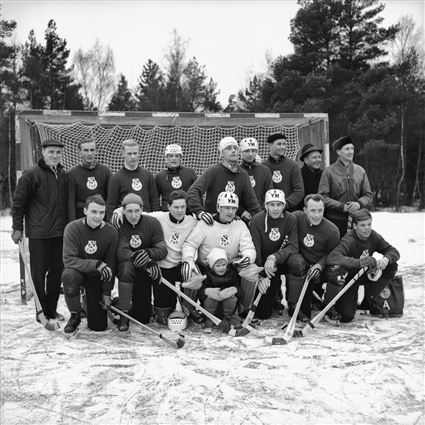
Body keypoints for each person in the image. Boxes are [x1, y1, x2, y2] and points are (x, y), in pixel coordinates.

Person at [11, 138, 68, 323]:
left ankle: (51, 310)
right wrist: (17, 227)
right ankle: (40, 311)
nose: (55, 155)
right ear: (42, 152)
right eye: (51, 152)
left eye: (58, 152)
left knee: (56, 274)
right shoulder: (31, 174)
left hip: (59, 233)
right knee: (38, 274)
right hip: (39, 233)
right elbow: (18, 204)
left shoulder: (63, 174)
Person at [181, 191, 257, 321]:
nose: (230, 211)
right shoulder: (205, 224)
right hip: (206, 269)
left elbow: (249, 247)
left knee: (251, 270)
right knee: (189, 271)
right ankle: (190, 309)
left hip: (229, 268)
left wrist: (247, 257)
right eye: (226, 207)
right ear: (218, 208)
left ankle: (243, 308)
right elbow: (189, 245)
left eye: (233, 208)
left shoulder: (239, 225)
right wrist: (189, 260)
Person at [325, 209, 400, 323]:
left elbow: (393, 251)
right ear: (355, 226)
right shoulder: (349, 239)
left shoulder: (373, 236)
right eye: (363, 225)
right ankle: (331, 305)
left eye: (369, 224)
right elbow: (333, 257)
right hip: (350, 277)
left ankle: (368, 301)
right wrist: (360, 262)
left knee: (392, 265)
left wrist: (387, 258)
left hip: (365, 274)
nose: (367, 228)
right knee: (346, 317)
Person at [62, 195, 119, 333]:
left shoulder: (111, 232)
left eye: (101, 212)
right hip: (78, 272)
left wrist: (106, 292)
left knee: (98, 326)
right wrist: (96, 264)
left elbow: (110, 264)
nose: (98, 216)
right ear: (85, 211)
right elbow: (69, 259)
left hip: (97, 276)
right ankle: (75, 315)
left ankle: (89, 302)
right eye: (94, 212)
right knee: (69, 276)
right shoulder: (72, 228)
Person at [143, 189, 198, 324]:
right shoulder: (159, 217)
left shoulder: (193, 221)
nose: (179, 210)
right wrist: (118, 211)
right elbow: (138, 212)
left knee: (192, 274)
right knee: (162, 315)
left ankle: (188, 309)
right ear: (168, 207)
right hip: (162, 269)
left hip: (180, 267)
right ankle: (164, 308)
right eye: (176, 207)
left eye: (182, 207)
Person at [116, 193, 167, 331]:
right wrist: (143, 259)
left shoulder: (152, 223)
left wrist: (148, 255)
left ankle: (131, 305)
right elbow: (121, 252)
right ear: (123, 211)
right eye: (129, 211)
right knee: (126, 269)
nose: (133, 215)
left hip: (145, 270)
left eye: (137, 211)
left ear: (142, 209)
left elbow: (162, 249)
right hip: (127, 266)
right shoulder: (120, 224)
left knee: (143, 317)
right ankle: (123, 315)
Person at [187, 136, 261, 225]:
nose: (233, 150)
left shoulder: (243, 174)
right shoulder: (213, 170)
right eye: (229, 148)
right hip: (212, 222)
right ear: (221, 153)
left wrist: (262, 219)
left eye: (235, 148)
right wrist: (200, 212)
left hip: (233, 223)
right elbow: (193, 191)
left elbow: (252, 203)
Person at [288, 194, 340, 320]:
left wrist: (319, 265)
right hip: (301, 267)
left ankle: (328, 306)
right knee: (296, 262)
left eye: (320, 210)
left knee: (338, 269)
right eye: (312, 210)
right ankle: (294, 305)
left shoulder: (332, 230)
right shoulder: (296, 217)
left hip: (319, 268)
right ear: (305, 210)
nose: (317, 215)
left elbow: (332, 254)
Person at [249, 189, 298, 320]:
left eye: (279, 204)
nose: (275, 208)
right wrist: (260, 275)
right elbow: (255, 249)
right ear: (266, 206)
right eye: (272, 204)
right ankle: (274, 293)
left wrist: (274, 257)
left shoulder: (291, 219)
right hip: (263, 265)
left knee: (297, 262)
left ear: (284, 205)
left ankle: (294, 302)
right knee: (263, 314)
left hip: (281, 261)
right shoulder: (256, 221)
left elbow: (293, 246)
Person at [318, 136, 373, 237]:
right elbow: (322, 197)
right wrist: (342, 207)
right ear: (339, 152)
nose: (351, 152)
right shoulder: (328, 172)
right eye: (347, 149)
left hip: (358, 221)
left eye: (352, 148)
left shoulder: (360, 171)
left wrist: (358, 204)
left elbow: (368, 195)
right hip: (335, 221)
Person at [106, 139, 159, 220]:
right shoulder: (115, 178)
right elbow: (111, 205)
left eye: (135, 153)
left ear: (139, 153)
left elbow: (154, 201)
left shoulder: (148, 175)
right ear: (123, 153)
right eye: (129, 154)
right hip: (126, 223)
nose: (133, 157)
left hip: (146, 221)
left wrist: (156, 219)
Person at [67, 138, 111, 221]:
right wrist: (72, 222)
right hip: (81, 218)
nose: (89, 153)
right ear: (80, 152)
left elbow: (111, 198)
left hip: (101, 218)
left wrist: (109, 218)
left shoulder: (105, 171)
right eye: (86, 150)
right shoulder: (72, 173)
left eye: (92, 150)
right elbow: (71, 201)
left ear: (96, 151)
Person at [199, 248, 241, 328]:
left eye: (223, 265)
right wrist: (207, 291)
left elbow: (239, 289)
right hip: (212, 308)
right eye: (218, 265)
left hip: (228, 308)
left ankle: (228, 319)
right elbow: (200, 292)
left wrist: (233, 290)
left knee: (231, 299)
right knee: (210, 299)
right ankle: (209, 319)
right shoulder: (207, 275)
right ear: (212, 266)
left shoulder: (231, 273)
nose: (221, 268)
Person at [262, 133, 304, 212]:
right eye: (279, 144)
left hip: (289, 212)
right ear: (270, 145)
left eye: (284, 144)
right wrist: (269, 206)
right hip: (267, 211)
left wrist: (284, 204)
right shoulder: (263, 167)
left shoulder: (293, 165)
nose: (282, 147)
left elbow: (299, 191)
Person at [239, 137, 273, 224]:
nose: (250, 154)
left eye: (253, 151)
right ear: (241, 152)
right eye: (247, 151)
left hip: (261, 215)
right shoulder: (236, 171)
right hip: (241, 217)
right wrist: (241, 211)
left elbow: (269, 194)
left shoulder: (265, 170)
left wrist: (263, 212)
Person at [155, 144, 197, 212]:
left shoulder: (190, 173)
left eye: (177, 156)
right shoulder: (159, 176)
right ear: (166, 158)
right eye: (171, 156)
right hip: (166, 214)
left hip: (187, 214)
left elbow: (197, 194)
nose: (174, 158)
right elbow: (155, 199)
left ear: (181, 158)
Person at [297, 143, 323, 210]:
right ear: (305, 160)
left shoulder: (324, 174)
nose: (318, 160)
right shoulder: (298, 175)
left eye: (319, 157)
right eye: (314, 157)